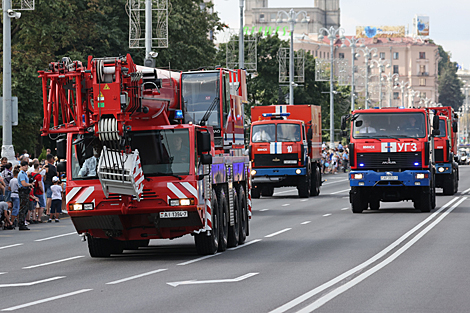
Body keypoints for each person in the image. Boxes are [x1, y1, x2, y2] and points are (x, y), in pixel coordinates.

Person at [18, 160, 33, 230]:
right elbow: (23, 183)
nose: (26, 167)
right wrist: (30, 184)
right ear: (21, 166)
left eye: (27, 166)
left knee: (25, 208)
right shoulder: (21, 174)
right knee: (23, 208)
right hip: (23, 191)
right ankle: (21, 223)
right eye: (24, 166)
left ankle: (23, 222)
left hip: (26, 191)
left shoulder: (24, 173)